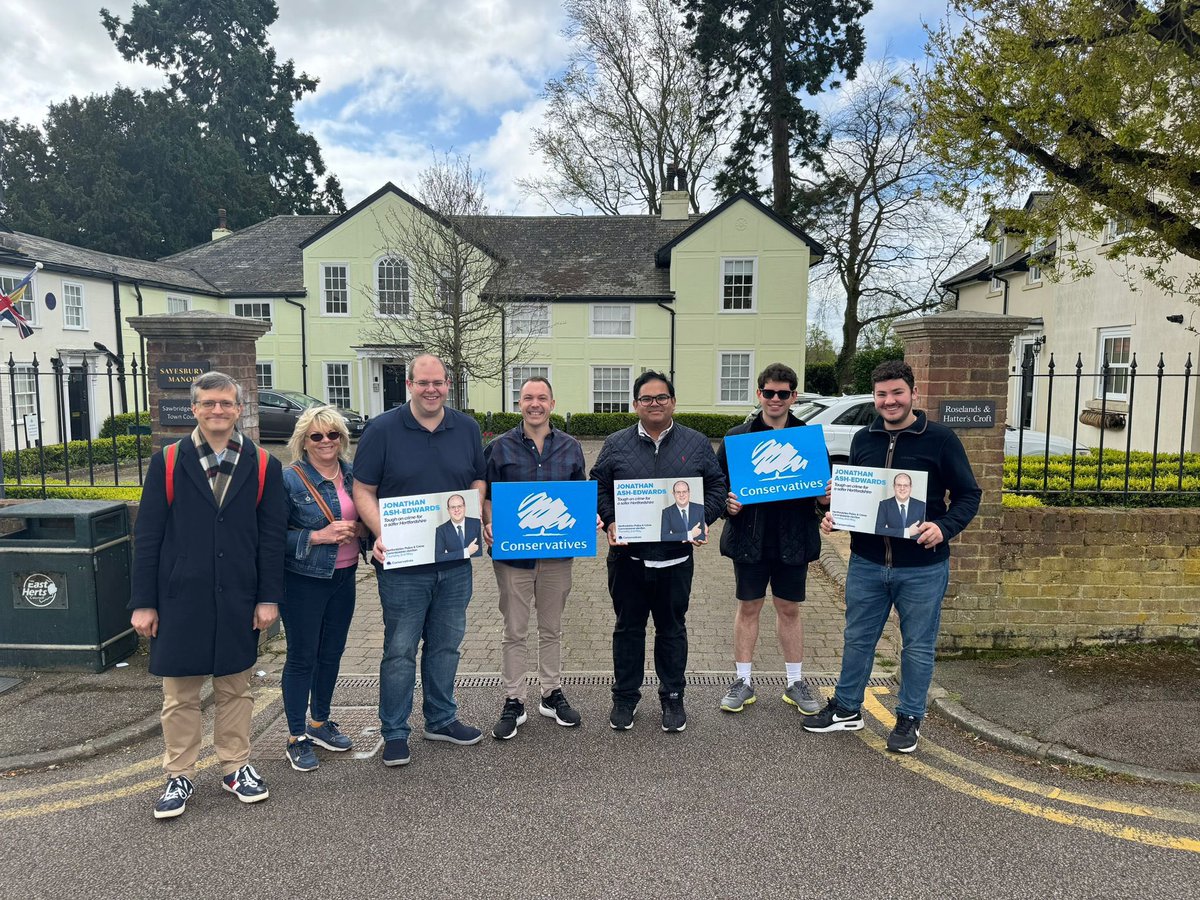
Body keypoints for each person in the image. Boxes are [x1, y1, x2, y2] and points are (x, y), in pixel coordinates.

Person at [130, 371, 286, 819]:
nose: (218, 411)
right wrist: (143, 602)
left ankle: (236, 766)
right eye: (209, 404)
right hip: (180, 596)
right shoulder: (168, 461)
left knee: (236, 688)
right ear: (194, 409)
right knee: (180, 692)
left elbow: (271, 538)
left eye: (226, 403)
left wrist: (267, 597)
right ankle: (179, 772)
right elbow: (149, 534)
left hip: (239, 594)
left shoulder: (262, 465)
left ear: (240, 409)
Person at [805, 360, 981, 753]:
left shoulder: (940, 439)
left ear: (914, 395)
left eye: (897, 393)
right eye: (882, 394)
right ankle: (847, 709)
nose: (890, 401)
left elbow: (969, 495)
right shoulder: (863, 439)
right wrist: (834, 513)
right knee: (857, 639)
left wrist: (945, 527)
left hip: (922, 565)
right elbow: (860, 500)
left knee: (917, 645)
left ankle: (909, 718)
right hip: (867, 562)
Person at [352, 354, 487, 767]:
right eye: (423, 382)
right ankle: (394, 731)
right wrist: (382, 533)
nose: (432, 389)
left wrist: (477, 512)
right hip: (404, 564)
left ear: (449, 384)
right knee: (400, 649)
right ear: (409, 384)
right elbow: (363, 490)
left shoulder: (466, 428)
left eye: (439, 383)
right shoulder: (382, 430)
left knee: (446, 646)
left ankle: (441, 719)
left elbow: (477, 480)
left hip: (454, 562)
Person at [591, 370, 725, 733]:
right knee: (628, 629)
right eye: (647, 399)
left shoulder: (696, 443)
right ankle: (625, 697)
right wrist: (610, 519)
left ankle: (672, 697)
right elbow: (599, 485)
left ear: (673, 402)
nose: (654, 404)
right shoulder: (616, 443)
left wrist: (702, 518)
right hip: (628, 560)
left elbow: (715, 486)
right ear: (635, 404)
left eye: (661, 397)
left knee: (672, 629)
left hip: (676, 559)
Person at [716, 363, 826, 716]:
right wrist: (726, 506)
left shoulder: (808, 439)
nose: (775, 399)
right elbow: (717, 488)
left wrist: (826, 500)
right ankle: (743, 681)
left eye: (783, 393)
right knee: (749, 607)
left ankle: (794, 682)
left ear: (793, 397)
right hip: (750, 537)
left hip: (794, 537)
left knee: (789, 609)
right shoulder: (737, 438)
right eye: (769, 392)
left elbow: (822, 496)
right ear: (759, 394)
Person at [482, 376, 588, 740]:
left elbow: (580, 499)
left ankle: (550, 692)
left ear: (552, 404)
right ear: (519, 403)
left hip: (557, 555)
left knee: (551, 627)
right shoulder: (499, 448)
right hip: (514, 555)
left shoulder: (572, 448)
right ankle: (514, 699)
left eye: (542, 397)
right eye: (528, 397)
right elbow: (487, 495)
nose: (535, 403)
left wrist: (591, 519)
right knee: (514, 629)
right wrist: (488, 522)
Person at [279, 407, 366, 772]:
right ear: (304, 440)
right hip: (303, 580)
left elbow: (365, 519)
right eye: (317, 436)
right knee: (303, 656)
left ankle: (320, 723)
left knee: (332, 653)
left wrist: (361, 531)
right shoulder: (289, 479)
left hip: (345, 577)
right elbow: (269, 535)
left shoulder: (353, 474)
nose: (326, 441)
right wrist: (317, 535)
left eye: (332, 434)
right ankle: (296, 736)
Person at [874, 472, 926, 538]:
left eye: (906, 485)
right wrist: (907, 532)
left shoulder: (922, 506)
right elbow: (878, 530)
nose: (902, 488)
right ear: (894, 487)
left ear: (910, 487)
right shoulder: (884, 505)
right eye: (899, 485)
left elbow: (926, 532)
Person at [435, 494, 483, 560]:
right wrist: (466, 552)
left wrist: (451, 555)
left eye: (459, 506)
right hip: (452, 569)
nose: (456, 510)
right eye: (453, 507)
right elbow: (438, 558)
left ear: (464, 507)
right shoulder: (441, 530)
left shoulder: (476, 523)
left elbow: (481, 551)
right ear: (448, 510)